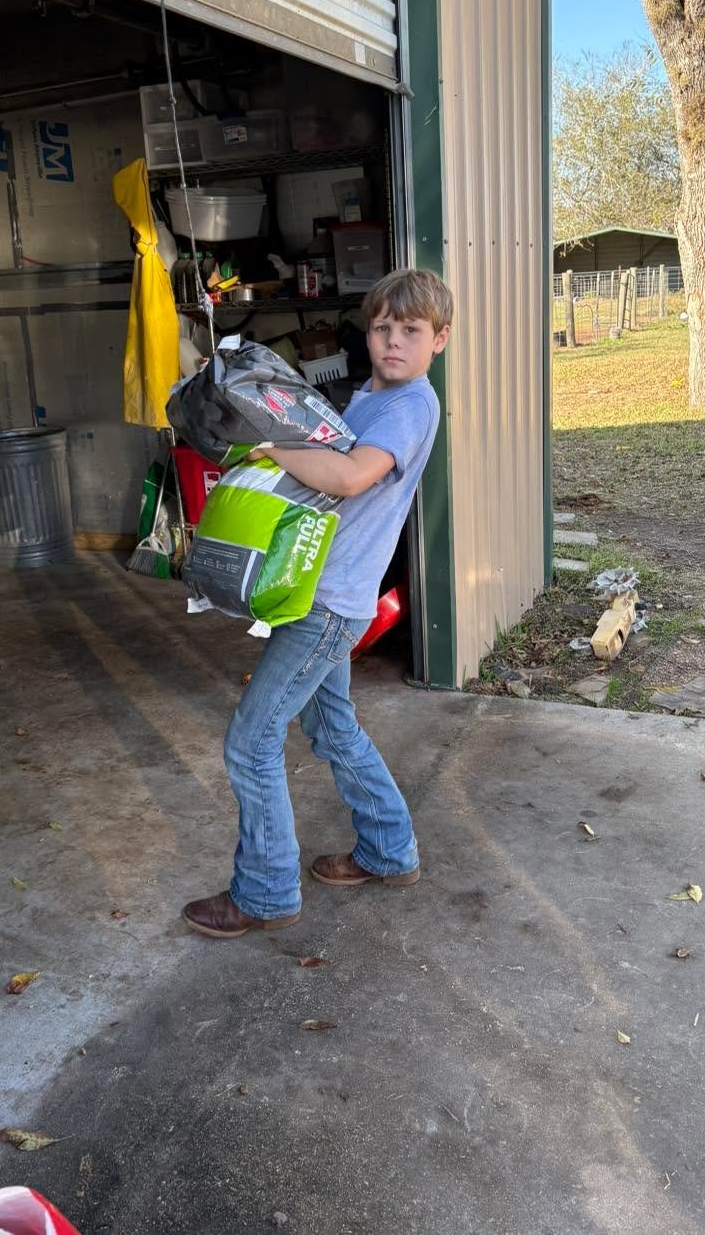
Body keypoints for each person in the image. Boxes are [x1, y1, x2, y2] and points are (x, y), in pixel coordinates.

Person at [183, 268, 453, 938]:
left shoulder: (409, 407)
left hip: (329, 603)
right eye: (383, 327)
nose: (393, 341)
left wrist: (266, 440)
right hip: (317, 590)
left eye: (411, 330)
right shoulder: (368, 396)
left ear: (439, 339)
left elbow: (351, 476)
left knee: (251, 742)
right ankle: (389, 850)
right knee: (332, 728)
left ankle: (266, 893)